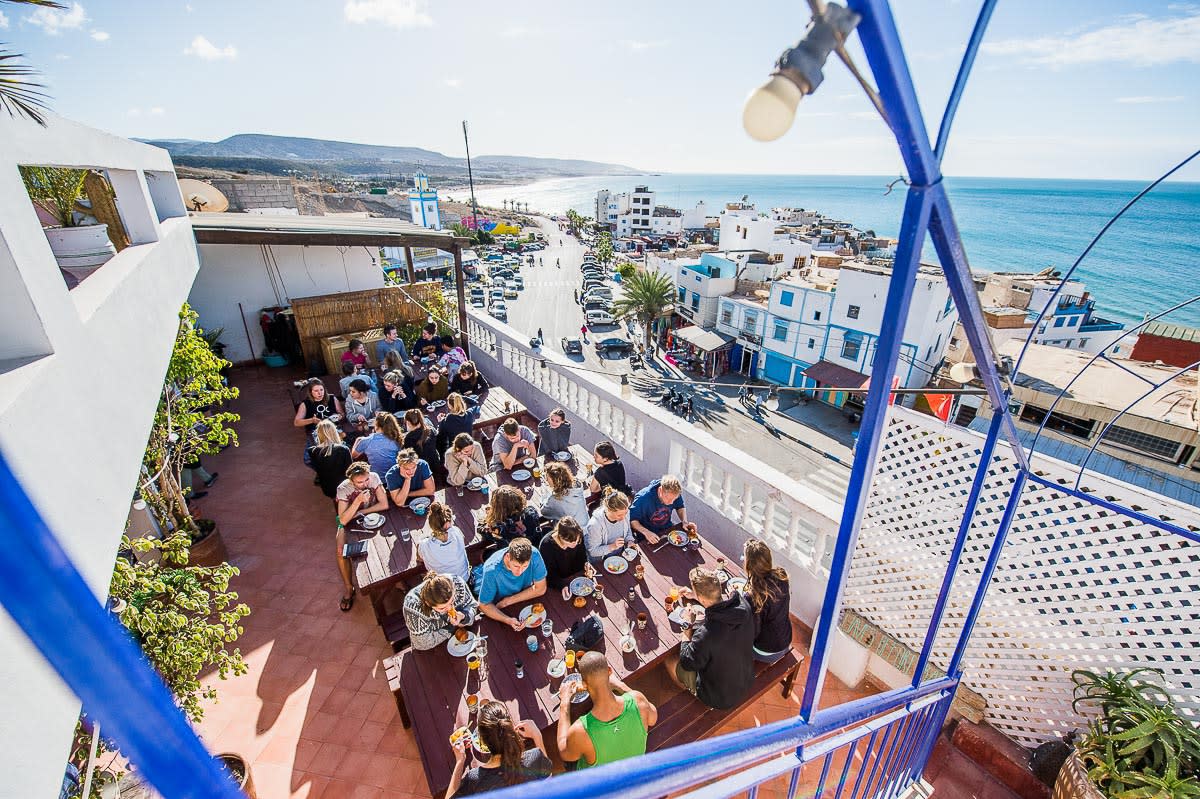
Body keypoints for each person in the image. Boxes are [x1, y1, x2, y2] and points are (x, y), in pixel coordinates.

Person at [664, 567, 756, 709]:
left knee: (670, 661)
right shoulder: (744, 606)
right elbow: (717, 604)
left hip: (720, 699)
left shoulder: (706, 634)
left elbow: (687, 662)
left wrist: (688, 625)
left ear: (701, 598)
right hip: (746, 680)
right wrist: (696, 596)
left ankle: (693, 695)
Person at [558, 651, 657, 769]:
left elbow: (564, 752)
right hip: (634, 771)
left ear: (583, 684)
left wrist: (564, 702)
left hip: (603, 780)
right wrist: (620, 685)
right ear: (609, 671)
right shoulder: (638, 700)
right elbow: (653, 718)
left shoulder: (581, 730)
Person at [447, 701, 551, 797]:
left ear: (481, 739)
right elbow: (548, 783)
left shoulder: (474, 780)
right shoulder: (535, 757)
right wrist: (537, 736)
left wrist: (460, 761)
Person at [335, 462, 388, 611]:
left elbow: (384, 504)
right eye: (360, 482)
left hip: (372, 517)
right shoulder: (343, 489)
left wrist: (361, 512)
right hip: (349, 523)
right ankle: (349, 587)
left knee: (386, 540)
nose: (365, 484)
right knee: (341, 551)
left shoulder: (374, 478)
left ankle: (396, 580)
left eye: (366, 480)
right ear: (351, 481)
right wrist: (357, 501)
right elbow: (342, 520)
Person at [476, 538, 547, 631]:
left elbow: (541, 589)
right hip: (500, 608)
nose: (520, 571)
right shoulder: (491, 570)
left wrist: (508, 601)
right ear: (508, 556)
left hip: (520, 599)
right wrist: (508, 620)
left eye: (525, 566)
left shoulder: (534, 554)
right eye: (516, 566)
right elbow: (483, 605)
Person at [743, 538, 793, 664]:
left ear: (748, 565)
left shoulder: (753, 597)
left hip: (765, 650)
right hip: (785, 640)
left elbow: (753, 633)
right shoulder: (782, 577)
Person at [403, 572, 478, 652]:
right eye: (442, 608)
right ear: (428, 604)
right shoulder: (413, 608)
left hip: (466, 636)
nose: (450, 608)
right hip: (433, 649)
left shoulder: (457, 583)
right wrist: (451, 627)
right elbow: (423, 643)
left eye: (452, 602)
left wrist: (464, 616)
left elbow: (473, 606)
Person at [629, 474, 695, 546]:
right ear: (660, 490)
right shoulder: (643, 498)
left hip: (667, 530)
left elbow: (680, 506)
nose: (671, 502)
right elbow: (632, 520)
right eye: (668, 498)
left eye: (674, 499)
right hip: (647, 536)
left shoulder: (674, 492)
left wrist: (684, 521)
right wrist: (646, 532)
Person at [417, 503, 471, 583]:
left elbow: (420, 558)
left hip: (444, 587)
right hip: (464, 579)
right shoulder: (456, 532)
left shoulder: (424, 545)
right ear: (447, 524)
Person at [307, 420, 352, 500]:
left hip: (327, 489)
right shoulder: (343, 449)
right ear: (334, 432)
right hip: (344, 488)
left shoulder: (312, 451)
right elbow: (350, 471)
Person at [538, 517, 587, 590]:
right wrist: (562, 586)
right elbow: (549, 574)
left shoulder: (578, 536)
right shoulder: (546, 546)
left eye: (577, 541)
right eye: (571, 542)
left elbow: (582, 558)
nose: (575, 544)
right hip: (558, 583)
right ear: (560, 536)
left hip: (577, 579)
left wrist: (586, 566)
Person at [350, 411, 403, 477]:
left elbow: (353, 456)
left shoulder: (366, 441)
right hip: (394, 476)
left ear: (376, 425)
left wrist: (357, 440)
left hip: (376, 478)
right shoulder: (397, 439)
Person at [585, 489, 632, 563]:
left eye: (625, 513)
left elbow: (628, 530)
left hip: (621, 554)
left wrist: (629, 540)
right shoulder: (595, 525)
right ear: (609, 510)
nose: (623, 518)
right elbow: (593, 551)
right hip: (601, 560)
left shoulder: (624, 512)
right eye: (619, 515)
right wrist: (613, 546)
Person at [538, 462, 590, 528]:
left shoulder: (555, 499)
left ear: (555, 481)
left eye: (547, 478)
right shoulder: (577, 488)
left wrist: (543, 498)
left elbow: (544, 512)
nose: (546, 480)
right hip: (587, 526)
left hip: (572, 532)